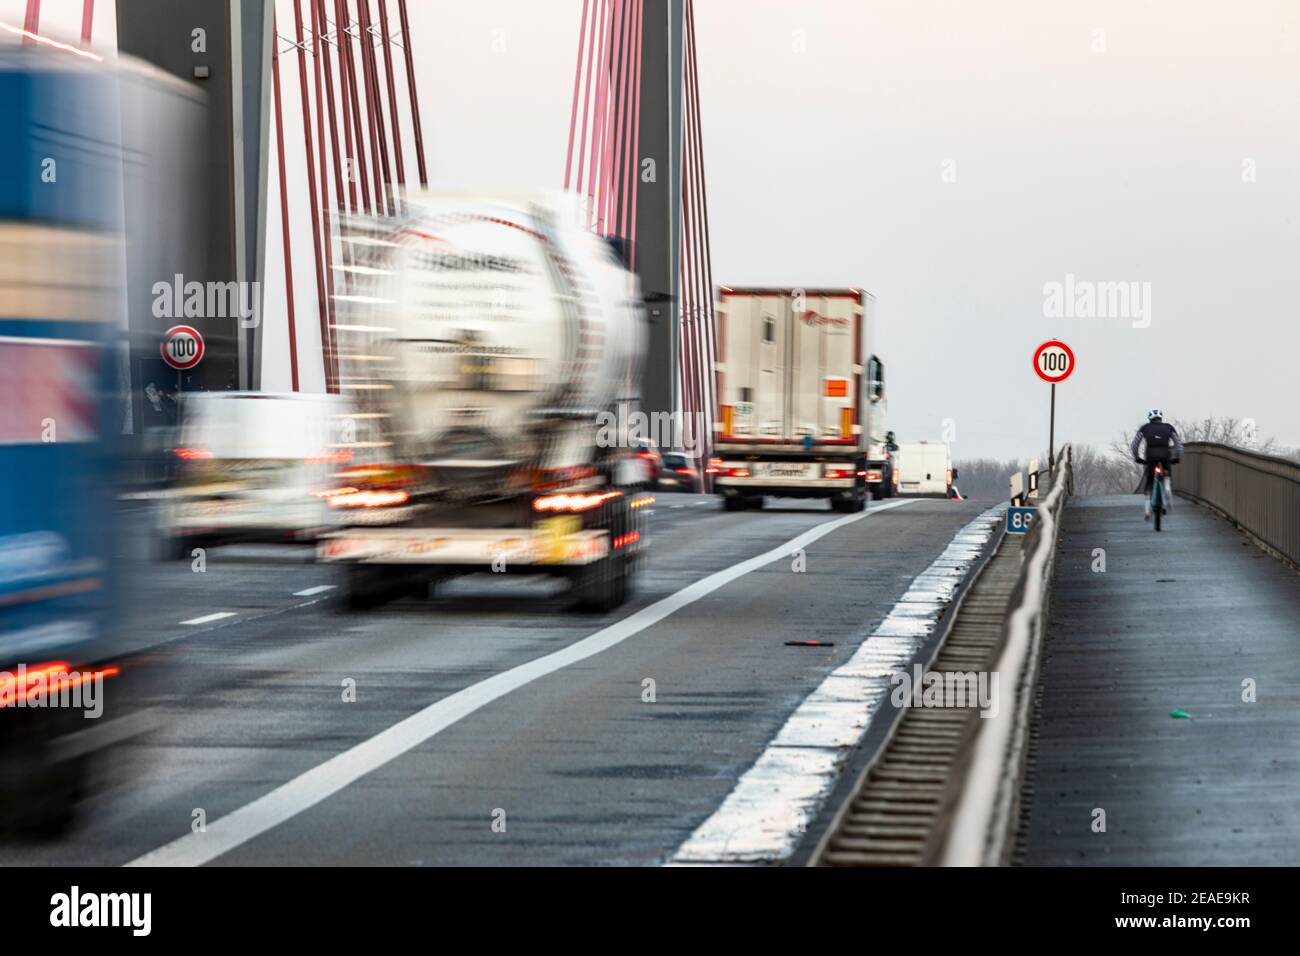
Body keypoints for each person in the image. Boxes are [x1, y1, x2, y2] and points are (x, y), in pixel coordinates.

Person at [1130, 409, 1183, 519]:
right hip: (1165, 455)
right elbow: (1178, 444)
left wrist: (1137, 457)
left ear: (1150, 419)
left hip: (1150, 456)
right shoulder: (1169, 427)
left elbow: (1135, 445)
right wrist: (1178, 457)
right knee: (1166, 473)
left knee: (1149, 483)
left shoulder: (1144, 428)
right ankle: (1167, 487)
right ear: (1161, 418)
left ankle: (1147, 510)